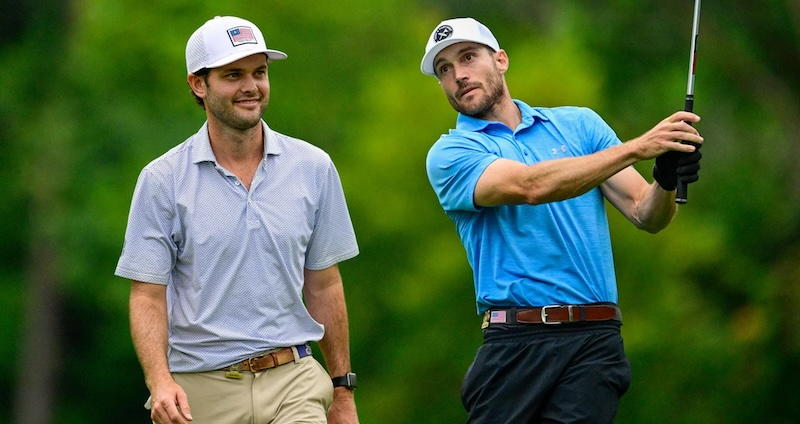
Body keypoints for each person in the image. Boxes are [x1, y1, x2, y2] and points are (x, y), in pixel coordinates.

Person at [420, 17, 702, 423]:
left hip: (594, 341)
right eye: (444, 69)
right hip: (515, 344)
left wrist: (665, 177)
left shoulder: (579, 125)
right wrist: (638, 148)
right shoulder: (451, 153)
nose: (459, 75)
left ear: (500, 60)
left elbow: (647, 213)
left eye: (468, 58)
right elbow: (530, 186)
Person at [115, 16, 360, 424]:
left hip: (293, 379)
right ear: (198, 84)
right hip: (200, 390)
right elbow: (147, 295)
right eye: (233, 75)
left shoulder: (313, 167)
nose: (251, 87)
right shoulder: (162, 180)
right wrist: (160, 382)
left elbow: (324, 283)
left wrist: (343, 391)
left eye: (259, 72)